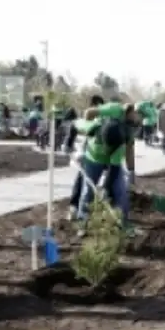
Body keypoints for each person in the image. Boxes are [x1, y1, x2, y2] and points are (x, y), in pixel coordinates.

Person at [73, 102, 140, 230]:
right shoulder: (107, 116)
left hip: (112, 158)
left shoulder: (124, 139)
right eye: (138, 115)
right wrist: (79, 142)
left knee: (120, 190)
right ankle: (83, 222)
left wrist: (106, 187)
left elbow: (115, 168)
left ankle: (121, 222)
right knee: (88, 191)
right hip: (94, 157)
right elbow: (81, 119)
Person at [67, 95, 105, 218]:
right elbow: (74, 128)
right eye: (98, 107)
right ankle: (75, 208)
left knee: (85, 181)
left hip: (94, 155)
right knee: (82, 180)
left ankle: (78, 207)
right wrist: (68, 144)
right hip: (85, 155)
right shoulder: (86, 119)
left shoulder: (100, 120)